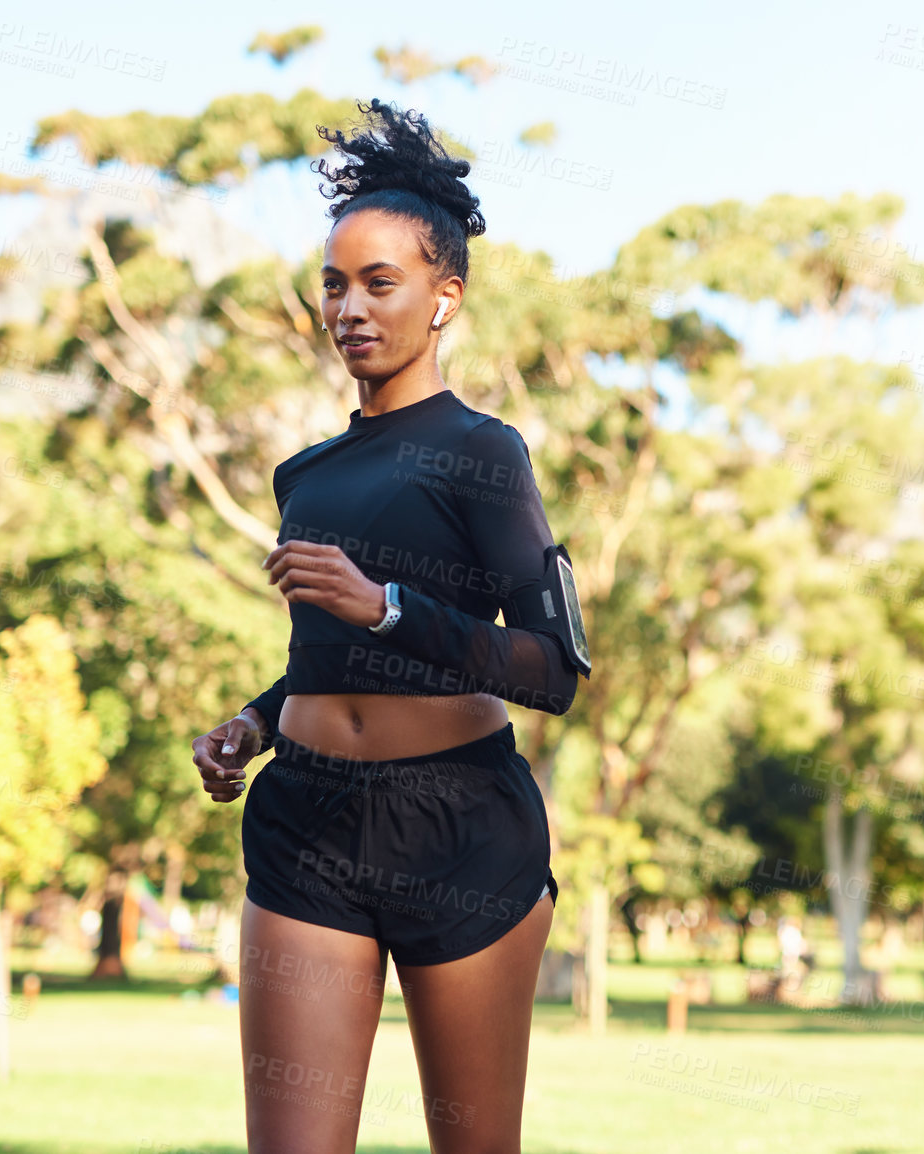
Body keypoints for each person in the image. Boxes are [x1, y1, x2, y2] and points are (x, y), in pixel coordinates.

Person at [189, 98, 592, 1154]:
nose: (349, 307)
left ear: (443, 296)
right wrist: (253, 720)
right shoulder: (303, 474)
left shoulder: (483, 450)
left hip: (458, 829)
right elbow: (330, 658)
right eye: (333, 283)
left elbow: (553, 668)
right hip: (306, 828)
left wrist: (388, 604)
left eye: (380, 282)